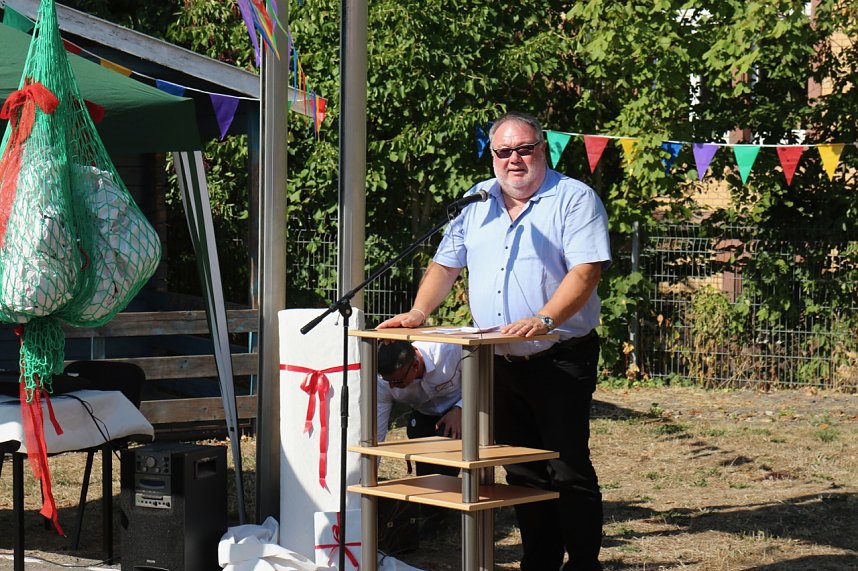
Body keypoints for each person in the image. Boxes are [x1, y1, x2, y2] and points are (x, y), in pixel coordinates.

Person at [378, 110, 611, 570]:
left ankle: (584, 564)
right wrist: (419, 313)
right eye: (503, 151)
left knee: (566, 467)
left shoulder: (574, 198)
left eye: (524, 149)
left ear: (543, 149)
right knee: (520, 468)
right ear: (492, 157)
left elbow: (587, 271)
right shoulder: (476, 201)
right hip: (495, 362)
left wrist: (545, 317)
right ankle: (539, 561)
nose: (514, 159)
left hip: (560, 357)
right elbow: (445, 265)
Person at [377, 339, 463, 538]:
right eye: (388, 381)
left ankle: (443, 509)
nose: (393, 387)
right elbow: (377, 432)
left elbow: (483, 376)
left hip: (462, 408)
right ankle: (429, 509)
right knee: (421, 442)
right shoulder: (383, 382)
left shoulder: (449, 351)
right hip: (424, 413)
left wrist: (461, 408)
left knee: (446, 440)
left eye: (398, 382)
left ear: (415, 365)